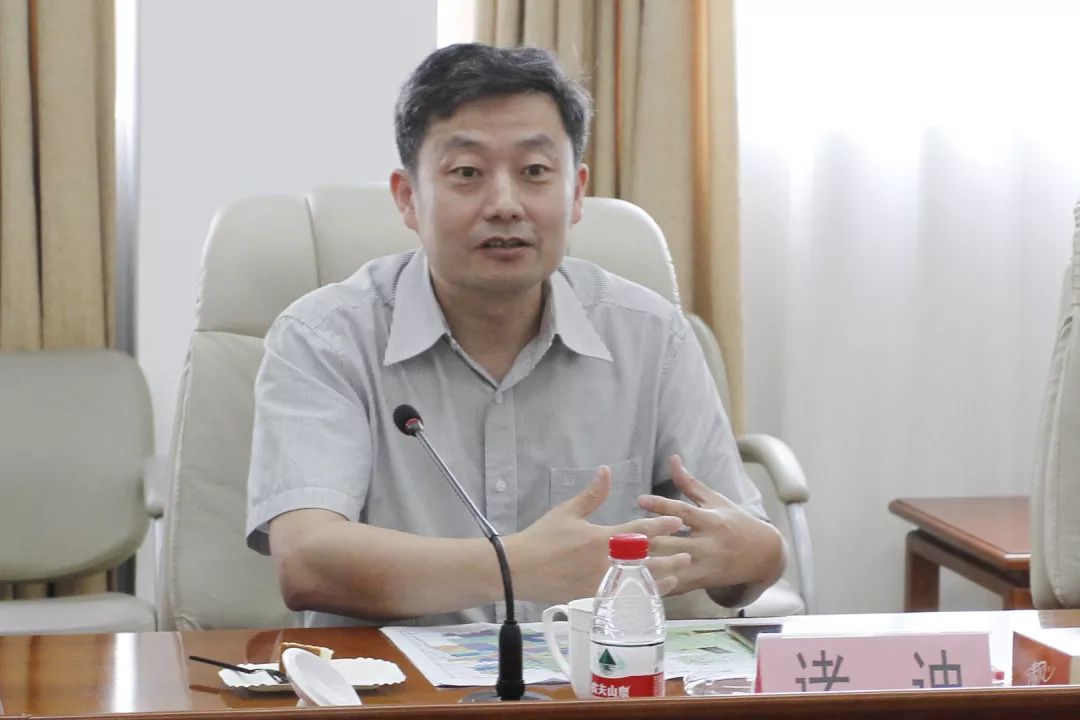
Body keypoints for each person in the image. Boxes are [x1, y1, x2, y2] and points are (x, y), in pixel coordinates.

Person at [246, 43, 784, 628]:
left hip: (594, 674)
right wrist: (521, 565)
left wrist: (757, 556)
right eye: (467, 173)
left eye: (534, 172)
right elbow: (307, 562)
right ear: (408, 198)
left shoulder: (651, 336)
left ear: (575, 193)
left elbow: (744, 557)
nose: (504, 204)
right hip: (393, 680)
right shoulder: (324, 338)